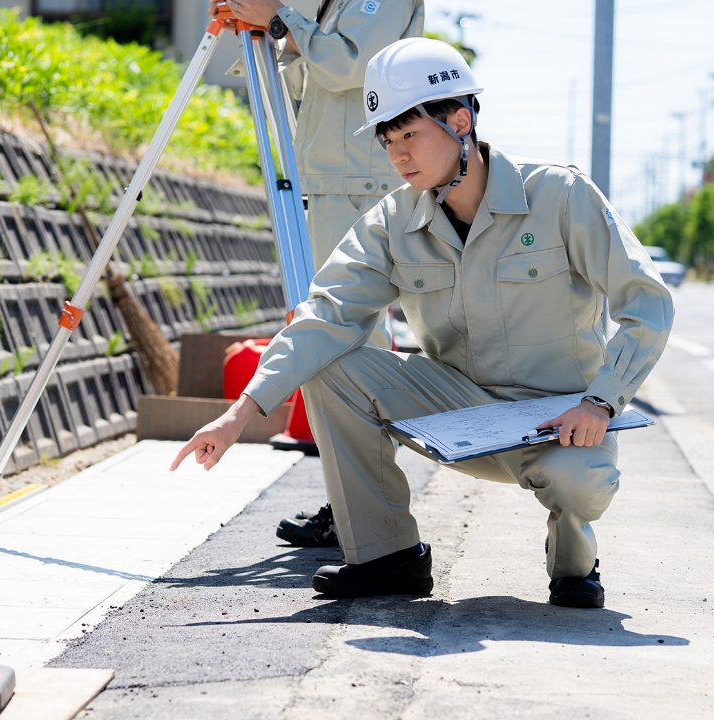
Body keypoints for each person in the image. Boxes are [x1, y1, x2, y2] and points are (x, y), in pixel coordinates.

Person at [171, 38, 674, 608]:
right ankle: (387, 557)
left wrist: (601, 402)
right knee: (332, 366)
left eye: (409, 134)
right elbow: (326, 314)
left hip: (559, 420)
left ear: (460, 122)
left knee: (579, 482)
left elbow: (647, 302)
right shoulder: (392, 221)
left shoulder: (559, 195)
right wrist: (240, 414)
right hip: (459, 413)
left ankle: (574, 564)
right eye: (387, 141)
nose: (398, 155)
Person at [210, 0, 425, 548]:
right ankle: (357, 504)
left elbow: (349, 65)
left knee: (350, 340)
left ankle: (366, 509)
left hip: (355, 184)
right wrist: (274, 29)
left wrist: (280, 17)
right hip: (334, 182)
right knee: (342, 336)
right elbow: (313, 81)